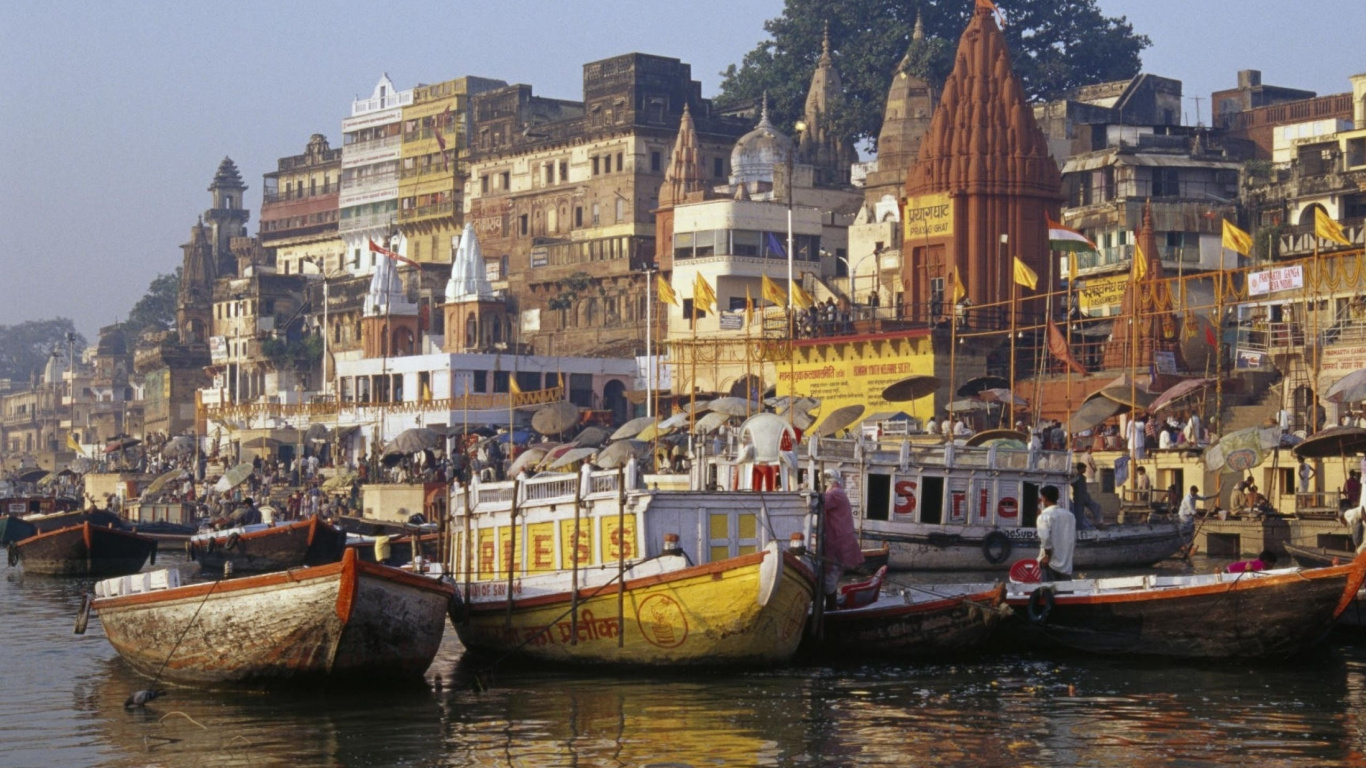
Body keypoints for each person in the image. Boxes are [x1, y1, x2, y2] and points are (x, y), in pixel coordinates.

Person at [820, 470, 865, 609]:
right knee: (831, 577)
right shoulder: (838, 493)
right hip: (840, 540)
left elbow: (818, 504)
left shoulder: (834, 494)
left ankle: (831, 609)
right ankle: (831, 607)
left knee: (830, 579)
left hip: (838, 542)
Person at [1036, 486, 1075, 582]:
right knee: (1065, 595)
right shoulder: (1070, 516)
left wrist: (1047, 556)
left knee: (1048, 593)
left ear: (1044, 499)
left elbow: (1045, 540)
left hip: (1050, 563)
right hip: (1066, 564)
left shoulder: (1044, 516)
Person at [1070, 462, 1101, 530]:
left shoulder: (1083, 477)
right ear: (1080, 469)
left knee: (1097, 507)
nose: (1085, 470)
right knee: (1079, 516)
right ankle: (1079, 529)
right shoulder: (1076, 477)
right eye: (1084, 468)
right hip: (1078, 499)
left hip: (1085, 497)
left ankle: (1098, 522)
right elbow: (1071, 483)